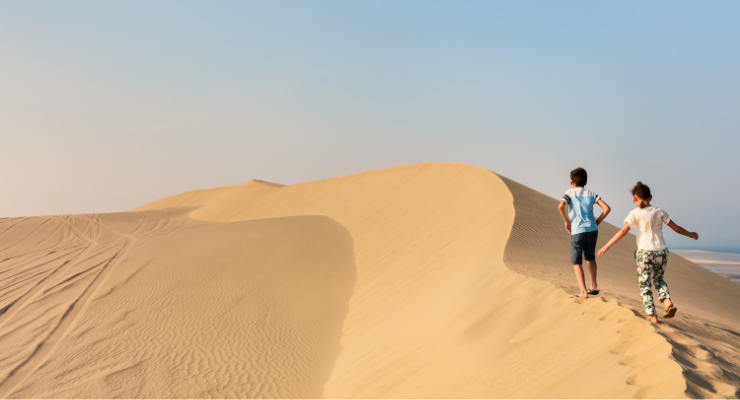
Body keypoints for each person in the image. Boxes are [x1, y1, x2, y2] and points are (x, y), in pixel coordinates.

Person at [597, 182, 698, 324]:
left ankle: (653, 317)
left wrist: (607, 246)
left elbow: (624, 231)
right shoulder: (659, 211)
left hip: (644, 252)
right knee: (659, 279)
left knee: (645, 284)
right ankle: (667, 301)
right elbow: (677, 229)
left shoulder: (634, 214)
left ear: (634, 199)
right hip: (662, 251)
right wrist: (691, 234)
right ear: (650, 197)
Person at [558, 168, 611, 299]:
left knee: (576, 261)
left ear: (572, 182)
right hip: (592, 230)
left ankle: (583, 292)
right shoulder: (591, 193)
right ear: (585, 182)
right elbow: (607, 208)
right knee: (590, 258)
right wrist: (597, 221)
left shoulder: (569, 192)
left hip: (578, 231)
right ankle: (593, 286)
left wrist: (566, 221)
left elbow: (560, 206)